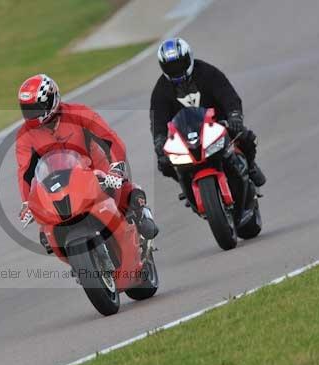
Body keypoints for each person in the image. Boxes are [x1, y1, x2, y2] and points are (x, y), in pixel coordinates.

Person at [15, 74, 158, 252]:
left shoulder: (78, 113)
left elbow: (110, 139)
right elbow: (25, 171)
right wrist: (27, 202)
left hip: (95, 171)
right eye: (26, 109)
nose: (31, 115)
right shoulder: (25, 135)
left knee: (124, 195)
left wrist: (117, 168)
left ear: (50, 101)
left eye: (35, 108)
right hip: (59, 184)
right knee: (46, 230)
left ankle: (141, 216)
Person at [150, 37, 266, 186]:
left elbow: (228, 95)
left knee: (246, 137)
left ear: (188, 58)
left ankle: (250, 167)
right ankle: (188, 185)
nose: (176, 70)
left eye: (179, 64)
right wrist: (159, 141)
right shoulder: (161, 90)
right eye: (171, 67)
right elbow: (157, 118)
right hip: (186, 136)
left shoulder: (207, 72)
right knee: (165, 163)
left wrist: (234, 116)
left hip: (218, 125)